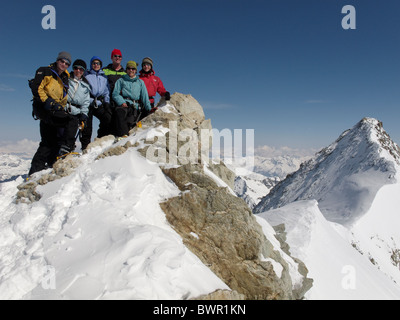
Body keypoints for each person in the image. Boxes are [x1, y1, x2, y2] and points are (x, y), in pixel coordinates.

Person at [29, 51, 79, 176]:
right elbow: (37, 88)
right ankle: (67, 148)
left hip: (54, 110)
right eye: (62, 61)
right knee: (72, 120)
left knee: (48, 142)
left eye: (67, 63)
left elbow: (62, 98)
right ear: (57, 60)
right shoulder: (45, 71)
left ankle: (35, 172)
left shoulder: (64, 78)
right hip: (44, 107)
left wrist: (59, 108)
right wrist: (49, 102)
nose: (64, 64)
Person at [112, 61, 151, 137]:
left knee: (131, 122)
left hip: (135, 106)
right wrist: (122, 102)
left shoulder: (140, 82)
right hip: (124, 104)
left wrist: (149, 109)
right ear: (126, 70)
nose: (131, 70)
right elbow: (115, 94)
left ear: (136, 70)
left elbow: (145, 97)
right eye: (129, 68)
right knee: (119, 113)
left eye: (133, 69)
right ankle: (124, 136)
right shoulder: (121, 80)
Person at [84, 56, 112, 141]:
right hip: (88, 102)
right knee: (87, 124)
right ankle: (85, 145)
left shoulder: (104, 77)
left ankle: (101, 138)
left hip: (99, 102)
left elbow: (107, 91)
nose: (96, 65)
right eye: (94, 63)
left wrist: (107, 103)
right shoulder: (86, 75)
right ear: (91, 64)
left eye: (98, 63)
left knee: (107, 118)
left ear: (100, 65)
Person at [67, 59, 91, 150]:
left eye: (81, 69)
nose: (78, 71)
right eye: (76, 68)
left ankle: (68, 149)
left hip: (76, 111)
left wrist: (84, 114)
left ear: (84, 71)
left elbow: (86, 101)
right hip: (64, 108)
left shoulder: (85, 85)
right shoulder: (66, 79)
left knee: (71, 131)